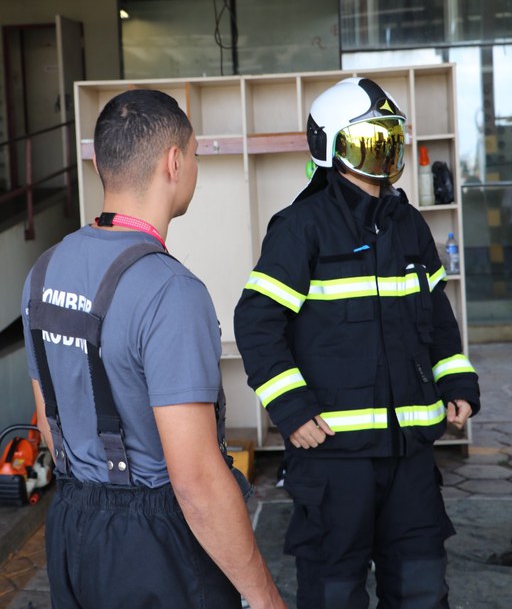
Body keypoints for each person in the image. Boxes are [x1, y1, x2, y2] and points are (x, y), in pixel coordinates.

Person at [21, 89, 286, 609]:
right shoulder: (171, 291)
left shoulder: (43, 271)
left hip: (73, 529)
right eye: (194, 155)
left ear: (100, 162)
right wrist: (262, 594)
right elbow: (195, 479)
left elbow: (48, 424)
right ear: (174, 162)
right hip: (156, 544)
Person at [234, 77, 480, 609]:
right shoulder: (300, 228)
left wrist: (456, 380)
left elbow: (437, 315)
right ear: (332, 147)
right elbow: (256, 320)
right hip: (333, 462)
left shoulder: (409, 225)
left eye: (390, 141)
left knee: (421, 590)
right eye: (371, 141)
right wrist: (292, 409)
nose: (385, 154)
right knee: (333, 594)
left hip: (410, 456)